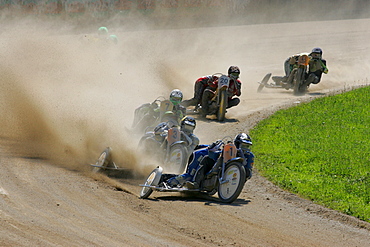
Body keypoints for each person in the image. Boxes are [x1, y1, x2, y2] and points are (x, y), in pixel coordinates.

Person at [166, 133, 254, 189]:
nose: (245, 149)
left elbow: (248, 172)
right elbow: (213, 154)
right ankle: (194, 182)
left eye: (247, 146)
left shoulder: (249, 156)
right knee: (206, 159)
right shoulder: (227, 151)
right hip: (215, 170)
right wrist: (213, 149)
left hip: (234, 182)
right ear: (237, 144)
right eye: (243, 145)